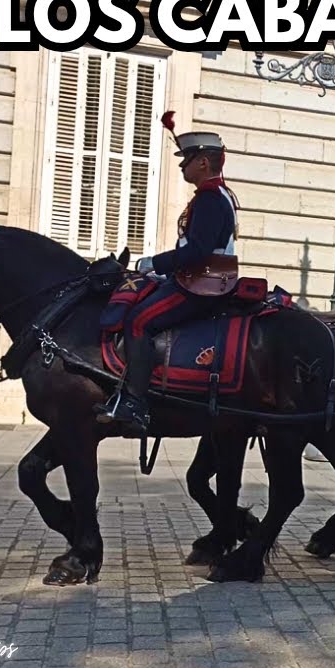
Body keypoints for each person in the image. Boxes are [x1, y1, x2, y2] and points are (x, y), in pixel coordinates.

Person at [94, 120, 238, 434]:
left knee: (138, 321)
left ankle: (135, 402)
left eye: (187, 160)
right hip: (203, 277)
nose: (183, 166)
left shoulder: (210, 198)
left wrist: (153, 263)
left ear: (203, 162)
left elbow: (197, 251)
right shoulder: (219, 195)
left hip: (202, 282)